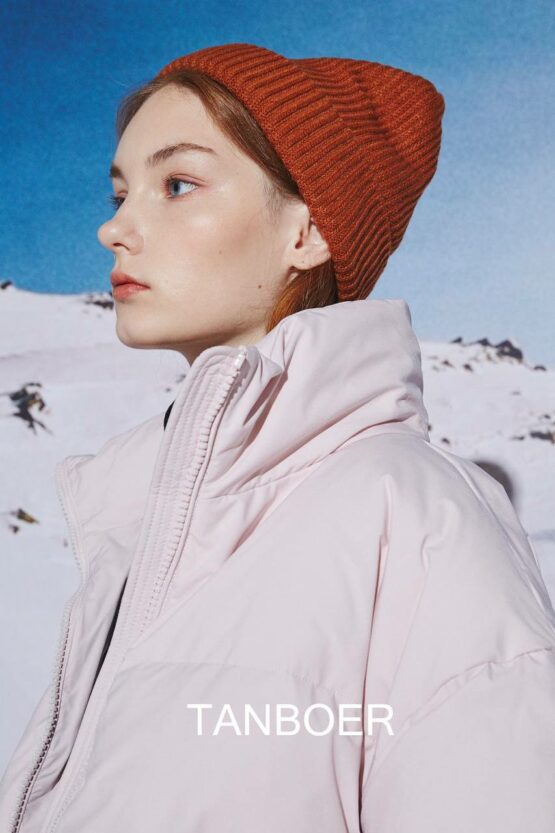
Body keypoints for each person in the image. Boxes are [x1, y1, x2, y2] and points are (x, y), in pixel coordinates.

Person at [1, 42, 554, 833]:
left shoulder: (413, 515)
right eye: (120, 193)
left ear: (309, 231)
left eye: (177, 184)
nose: (112, 227)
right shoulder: (131, 527)